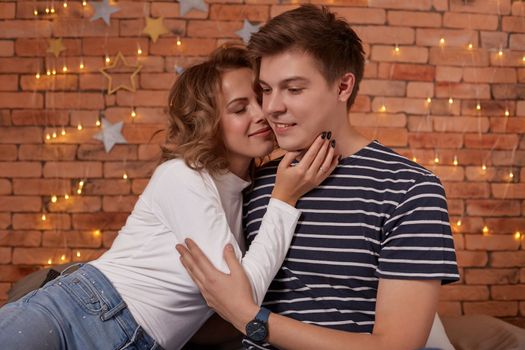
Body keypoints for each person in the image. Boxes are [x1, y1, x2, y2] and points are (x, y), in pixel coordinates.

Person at [0, 46, 338, 350]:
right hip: (74, 314)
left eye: (258, 99)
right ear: (210, 124)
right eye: (239, 109)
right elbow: (241, 297)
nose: (261, 114)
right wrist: (283, 199)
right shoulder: (184, 176)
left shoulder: (242, 192)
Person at [177, 5, 460, 350]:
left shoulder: (409, 189)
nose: (272, 108)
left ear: (342, 86)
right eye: (266, 89)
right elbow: (222, 302)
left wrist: (252, 319)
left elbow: (395, 346)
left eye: (293, 89)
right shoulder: (259, 183)